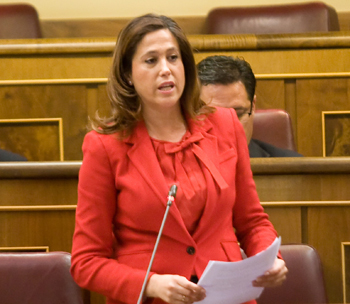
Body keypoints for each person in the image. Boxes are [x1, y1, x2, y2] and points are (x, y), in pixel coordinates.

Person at [70, 14, 287, 304]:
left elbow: (252, 222)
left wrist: (267, 258)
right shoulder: (104, 146)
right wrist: (150, 284)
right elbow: (86, 262)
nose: (166, 70)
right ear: (127, 75)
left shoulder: (225, 125)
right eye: (151, 60)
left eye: (173, 58)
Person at [197, 55, 303, 158]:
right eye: (213, 116)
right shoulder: (181, 169)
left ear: (253, 106)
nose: (226, 129)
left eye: (237, 114)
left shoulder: (293, 168)